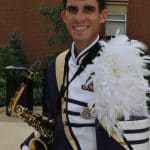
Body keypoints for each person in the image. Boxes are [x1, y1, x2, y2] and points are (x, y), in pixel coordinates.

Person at [21, 0, 150, 150]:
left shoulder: (122, 64)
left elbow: (135, 139)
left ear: (102, 16)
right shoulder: (56, 65)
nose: (79, 18)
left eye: (88, 9)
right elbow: (51, 122)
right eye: (73, 10)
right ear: (64, 16)